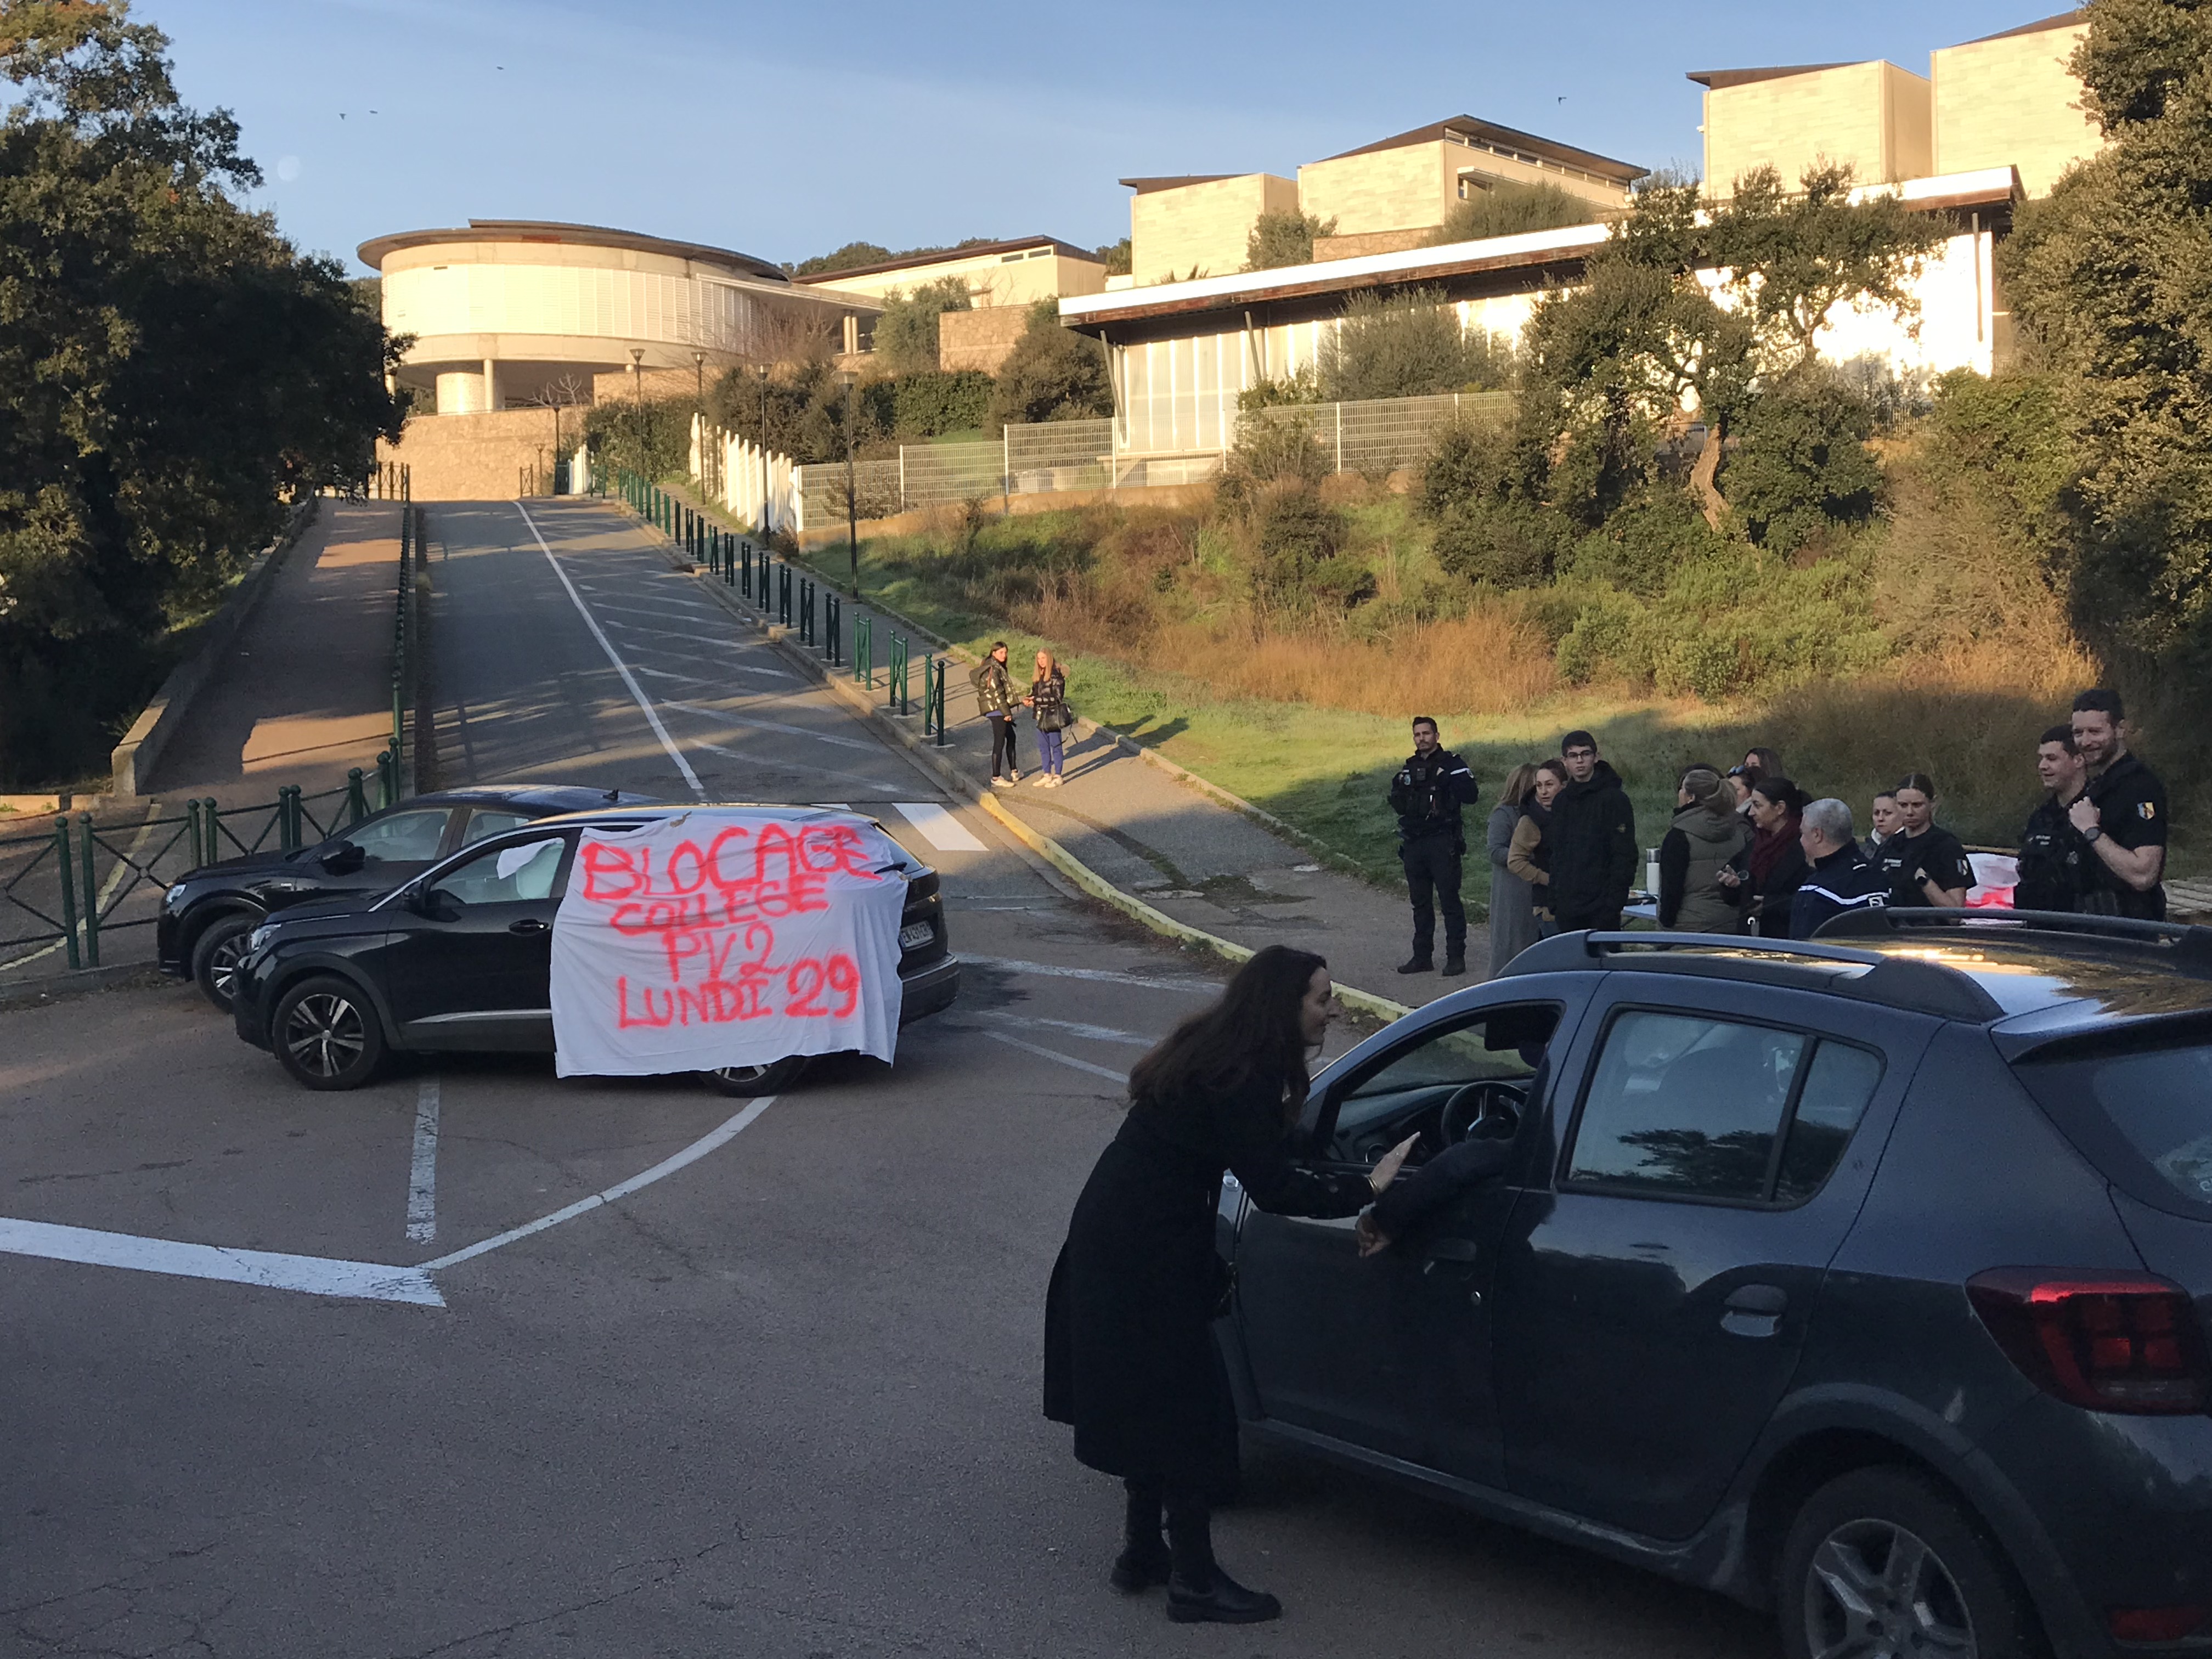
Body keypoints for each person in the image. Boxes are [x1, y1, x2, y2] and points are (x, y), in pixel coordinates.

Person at [1042, 947, 1415, 1624]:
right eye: (1322, 997)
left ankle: (1142, 1553)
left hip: (1121, 1236)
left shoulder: (1219, 1053)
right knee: (1188, 1405)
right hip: (1145, 1252)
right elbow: (1272, 1187)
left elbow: (1262, 1153)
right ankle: (1192, 1580)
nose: (1335, 1010)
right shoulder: (1240, 1075)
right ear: (1282, 1005)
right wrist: (1368, 1186)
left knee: (1154, 1397)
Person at [1388, 717, 1480, 976]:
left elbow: (1471, 796)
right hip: (1414, 843)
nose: (1422, 738)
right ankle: (1422, 957)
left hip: (1443, 841)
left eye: (1426, 733)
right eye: (1417, 734)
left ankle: (1455, 957)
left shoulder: (1453, 765)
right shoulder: (1408, 769)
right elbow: (1397, 800)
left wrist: (1447, 780)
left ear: (1437, 736)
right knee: (1420, 903)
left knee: (1449, 901)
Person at [2069, 688, 2169, 920]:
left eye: (2095, 732)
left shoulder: (2140, 788)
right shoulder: (2098, 785)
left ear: (2120, 729)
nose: (2085, 741)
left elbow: (2144, 874)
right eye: (2078, 733)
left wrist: (2092, 831)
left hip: (2127, 934)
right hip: (2090, 928)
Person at [1545, 731, 1637, 932]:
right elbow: (1557, 852)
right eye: (1573, 755)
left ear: (1596, 757)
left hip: (1601, 906)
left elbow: (1625, 855)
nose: (1580, 761)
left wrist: (1613, 904)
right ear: (1565, 761)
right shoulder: (1562, 801)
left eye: (1585, 754)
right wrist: (1554, 897)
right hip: (1567, 905)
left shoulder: (1614, 799)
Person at [1657, 766, 1748, 933]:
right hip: (1731, 923)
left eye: (1682, 789)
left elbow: (1672, 887)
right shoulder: (1737, 831)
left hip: (1689, 926)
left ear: (1691, 797)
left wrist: (1666, 924)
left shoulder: (1680, 835)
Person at [2016, 724, 2092, 913]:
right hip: (2038, 930)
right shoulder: (2041, 818)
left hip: (2086, 933)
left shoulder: (2098, 811)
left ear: (2078, 760)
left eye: (2052, 759)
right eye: (2041, 758)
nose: (2042, 766)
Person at [1792, 798, 1889, 938]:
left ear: (1817, 835)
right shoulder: (1879, 877)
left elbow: (1803, 952)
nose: (1800, 841)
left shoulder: (1817, 891)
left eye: (1802, 833)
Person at [1875, 773, 1974, 909]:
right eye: (1903, 805)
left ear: (1932, 804)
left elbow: (1955, 913)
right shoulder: (1889, 846)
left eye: (1917, 805)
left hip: (1927, 927)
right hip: (1889, 926)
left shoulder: (1947, 846)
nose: (1910, 812)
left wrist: (1924, 880)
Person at [1728, 775, 1811, 938]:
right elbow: (1740, 894)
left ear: (1780, 808)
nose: (1751, 813)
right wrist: (1731, 885)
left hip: (1786, 939)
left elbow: (1811, 899)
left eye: (1757, 806)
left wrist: (1771, 905)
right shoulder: (1756, 843)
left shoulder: (1805, 845)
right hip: (1750, 938)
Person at [1486, 764, 1544, 974]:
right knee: (1511, 949)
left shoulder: (1542, 815)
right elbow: (1495, 851)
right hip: (1513, 893)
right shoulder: (1504, 814)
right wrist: (1524, 857)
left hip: (1538, 889)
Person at [1508, 760, 1566, 933]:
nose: (1544, 791)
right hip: (1548, 907)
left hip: (1576, 904)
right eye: (1539, 786)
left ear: (1564, 786)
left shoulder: (1573, 814)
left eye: (1549, 785)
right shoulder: (1531, 820)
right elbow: (1515, 861)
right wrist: (1547, 879)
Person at [971, 642, 1022, 787]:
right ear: (993, 653)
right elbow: (998, 693)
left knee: (1011, 736)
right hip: (996, 709)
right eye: (1001, 653)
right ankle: (996, 777)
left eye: (1005, 653)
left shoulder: (995, 666)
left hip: (997, 708)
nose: (1004, 656)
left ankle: (1014, 771)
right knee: (1000, 741)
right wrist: (1006, 713)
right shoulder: (993, 669)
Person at [1025, 650, 1070, 788]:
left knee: (1055, 745)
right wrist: (1029, 698)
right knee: (1043, 746)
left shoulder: (1057, 676)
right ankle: (1047, 774)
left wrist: (1036, 700)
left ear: (1049, 658)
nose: (1041, 661)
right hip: (1040, 715)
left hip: (1053, 716)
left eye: (1043, 658)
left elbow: (1057, 698)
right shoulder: (1038, 676)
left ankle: (1058, 776)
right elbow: (1035, 693)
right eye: (1039, 659)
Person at [1863, 791, 1901, 864]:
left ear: (1902, 815)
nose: (1880, 818)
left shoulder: (1915, 849)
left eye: (1888, 813)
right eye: (1876, 813)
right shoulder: (1863, 852)